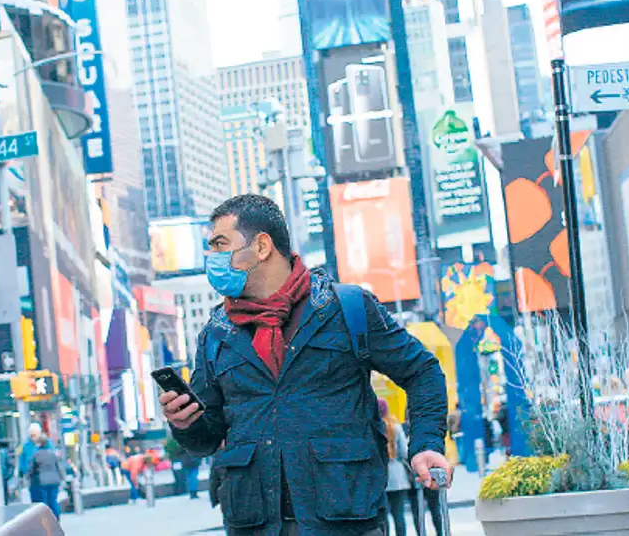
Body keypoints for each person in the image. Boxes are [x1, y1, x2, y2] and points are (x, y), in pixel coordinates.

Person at [159, 195, 451, 535]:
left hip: (345, 520)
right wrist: (184, 422)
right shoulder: (217, 333)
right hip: (255, 524)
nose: (211, 258)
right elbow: (205, 440)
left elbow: (422, 371)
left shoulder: (346, 308)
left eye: (220, 245)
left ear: (263, 247)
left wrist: (426, 444)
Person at [381, 400, 412, 536]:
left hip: (381, 477)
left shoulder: (373, 427)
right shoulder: (396, 427)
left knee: (383, 516)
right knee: (399, 514)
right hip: (398, 476)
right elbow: (404, 452)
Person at [29, 435, 65, 520]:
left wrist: (29, 478)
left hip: (42, 482)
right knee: (53, 501)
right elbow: (59, 467)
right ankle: (56, 518)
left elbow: (31, 469)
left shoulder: (36, 455)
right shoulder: (53, 454)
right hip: (54, 481)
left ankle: (47, 520)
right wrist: (62, 477)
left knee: (44, 503)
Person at [19, 423, 43, 501]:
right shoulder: (26, 446)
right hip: (33, 477)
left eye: (35, 435)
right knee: (35, 499)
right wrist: (23, 472)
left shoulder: (47, 443)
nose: (33, 437)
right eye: (32, 435)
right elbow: (22, 461)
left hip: (45, 476)